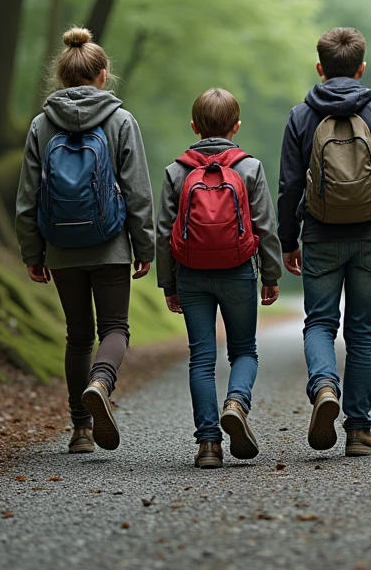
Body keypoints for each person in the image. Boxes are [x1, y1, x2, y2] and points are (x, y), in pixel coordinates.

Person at [15, 27, 155, 455]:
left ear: (60, 78)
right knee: (114, 327)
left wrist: (32, 251)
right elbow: (137, 191)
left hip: (60, 246)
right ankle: (101, 382)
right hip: (111, 243)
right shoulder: (120, 120)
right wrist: (145, 247)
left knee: (78, 336)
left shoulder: (41, 124)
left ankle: (80, 430)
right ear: (103, 75)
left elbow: (27, 196)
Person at [278, 27, 371, 457]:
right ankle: (358, 430)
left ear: (319, 68)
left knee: (319, 322)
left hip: (318, 234)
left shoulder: (301, 116)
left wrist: (287, 240)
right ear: (361, 68)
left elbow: (288, 186)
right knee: (361, 331)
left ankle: (323, 387)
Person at [156, 88, 284, 469]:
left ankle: (208, 445)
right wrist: (271, 275)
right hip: (238, 271)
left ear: (194, 127)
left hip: (192, 274)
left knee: (201, 359)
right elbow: (266, 225)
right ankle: (236, 403)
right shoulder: (250, 168)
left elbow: (165, 232)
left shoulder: (176, 171)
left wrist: (169, 284)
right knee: (244, 350)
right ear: (236, 126)